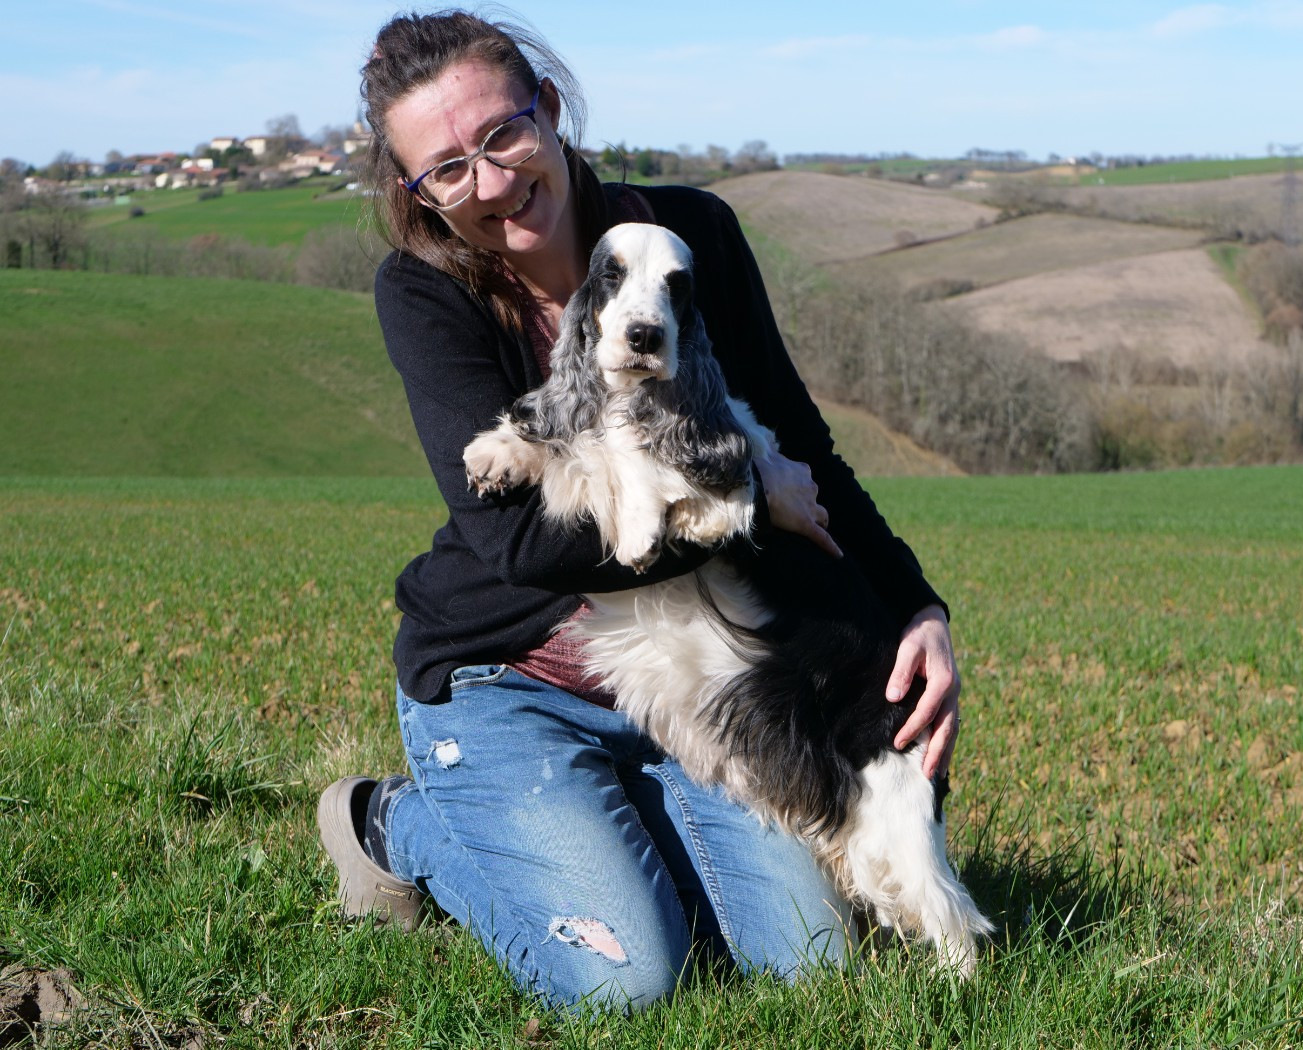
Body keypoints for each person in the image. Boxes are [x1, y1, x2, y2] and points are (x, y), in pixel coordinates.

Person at [317, 9, 963, 1012]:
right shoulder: (424, 292)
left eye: (501, 135)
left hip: (683, 692)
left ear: (549, 106)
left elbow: (800, 448)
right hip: (510, 675)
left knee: (809, 965)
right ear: (418, 193)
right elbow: (518, 540)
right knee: (624, 984)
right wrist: (741, 506)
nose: (489, 182)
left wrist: (915, 608)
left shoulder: (691, 234)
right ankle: (392, 822)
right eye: (446, 169)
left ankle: (626, 824)